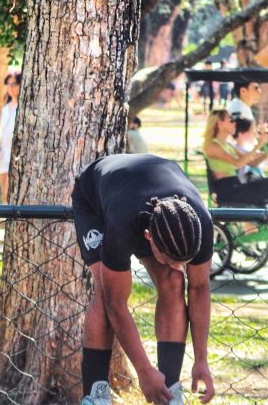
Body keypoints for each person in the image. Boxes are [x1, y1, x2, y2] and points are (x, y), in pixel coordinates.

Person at [72, 154, 215, 405]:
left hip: (151, 187)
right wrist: (144, 370)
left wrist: (201, 359)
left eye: (184, 260)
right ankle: (95, 395)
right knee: (105, 292)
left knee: (173, 280)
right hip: (95, 194)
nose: (178, 266)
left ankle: (168, 392)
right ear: (148, 238)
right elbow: (116, 305)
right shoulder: (122, 224)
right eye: (170, 258)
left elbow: (200, 287)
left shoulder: (200, 223)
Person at [203, 109, 268, 206]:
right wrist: (259, 144)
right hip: (227, 192)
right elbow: (238, 163)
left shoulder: (228, 145)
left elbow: (253, 162)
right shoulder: (213, 146)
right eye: (231, 120)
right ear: (219, 124)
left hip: (236, 186)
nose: (235, 124)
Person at [0, 72, 20, 204]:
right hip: (4, 155)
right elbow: (3, 133)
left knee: (10, 194)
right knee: (4, 195)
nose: (10, 87)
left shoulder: (23, 108)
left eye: (14, 84)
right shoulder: (5, 108)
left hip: (16, 158)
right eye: (8, 84)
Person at [232, 117, 266, 182]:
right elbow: (253, 162)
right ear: (241, 133)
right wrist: (261, 143)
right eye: (251, 130)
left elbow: (259, 156)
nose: (254, 133)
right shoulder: (234, 149)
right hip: (245, 185)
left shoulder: (246, 148)